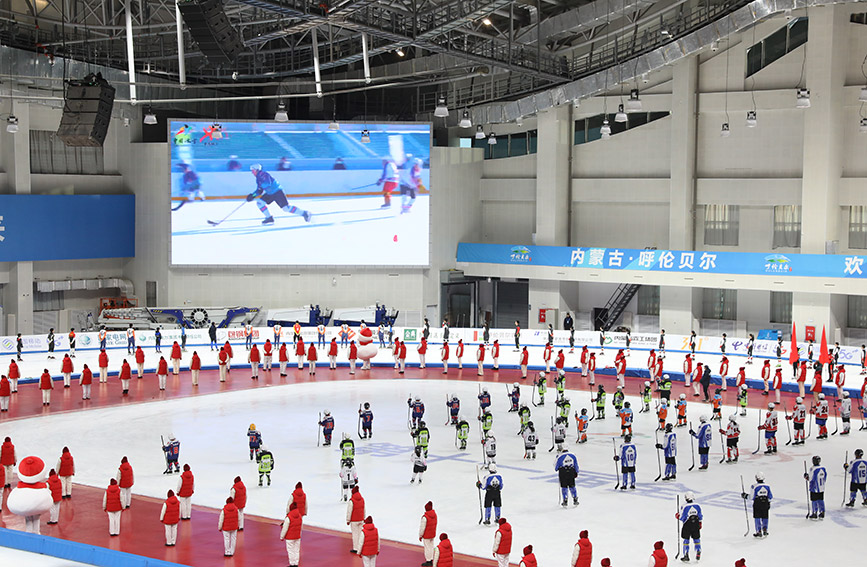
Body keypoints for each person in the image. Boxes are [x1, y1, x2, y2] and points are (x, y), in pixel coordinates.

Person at [247, 163, 312, 224]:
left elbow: (267, 184)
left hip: (277, 192)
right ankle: (269, 218)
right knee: (260, 203)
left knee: (286, 208)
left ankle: (304, 213)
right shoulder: (258, 179)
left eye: (253, 171)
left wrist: (257, 192)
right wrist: (253, 195)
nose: (252, 172)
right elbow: (259, 191)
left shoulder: (263, 174)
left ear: (256, 170)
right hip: (270, 193)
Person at [742, 471, 773, 537]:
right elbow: (770, 496)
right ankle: (765, 529)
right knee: (765, 516)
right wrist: (768, 503)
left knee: (757, 517)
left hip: (757, 503)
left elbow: (752, 497)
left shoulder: (754, 486)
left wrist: (745, 496)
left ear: (756, 478)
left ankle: (758, 531)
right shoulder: (767, 486)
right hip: (765, 503)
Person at [677, 491, 702, 561]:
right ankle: (698, 550)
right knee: (696, 538)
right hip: (696, 524)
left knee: (686, 539)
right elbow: (700, 515)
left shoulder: (684, 506)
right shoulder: (697, 505)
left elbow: (682, 517)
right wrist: (700, 523)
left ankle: (686, 555)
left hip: (687, 525)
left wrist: (677, 516)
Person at [280, 501, 303, 567]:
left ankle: (292, 564)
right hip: (297, 536)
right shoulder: (299, 516)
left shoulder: (288, 518)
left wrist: (282, 537)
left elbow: (285, 528)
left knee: (290, 551)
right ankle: (296, 563)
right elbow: (300, 526)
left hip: (290, 537)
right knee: (296, 550)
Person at [347, 486, 366, 552]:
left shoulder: (352, 501)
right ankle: (361, 547)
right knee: (361, 534)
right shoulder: (362, 499)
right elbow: (364, 509)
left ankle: (356, 548)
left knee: (355, 534)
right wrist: (364, 518)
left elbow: (349, 511)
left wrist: (348, 520)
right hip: (361, 519)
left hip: (354, 520)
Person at [419, 501, 437, 566]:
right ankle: (431, 559)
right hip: (432, 534)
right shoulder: (434, 515)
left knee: (427, 548)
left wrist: (420, 535)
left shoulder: (425, 517)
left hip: (426, 535)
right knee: (431, 546)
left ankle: (428, 561)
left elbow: (422, 528)